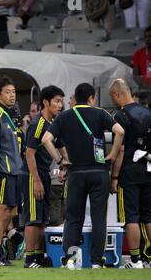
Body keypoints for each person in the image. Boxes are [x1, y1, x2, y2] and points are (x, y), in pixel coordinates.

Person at [42, 83, 125, 269]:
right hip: (99, 172)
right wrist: (112, 154)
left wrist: (60, 160)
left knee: (73, 218)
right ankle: (97, 261)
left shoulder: (64, 117)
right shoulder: (101, 113)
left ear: (75, 97)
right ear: (91, 98)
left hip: (76, 173)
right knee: (98, 218)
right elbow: (120, 131)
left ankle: (70, 259)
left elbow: (46, 139)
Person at [21, 85, 67, 268]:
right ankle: (29, 258)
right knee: (33, 219)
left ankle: (40, 256)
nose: (60, 105)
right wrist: (37, 181)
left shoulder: (54, 123)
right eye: (57, 101)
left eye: (61, 101)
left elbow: (62, 147)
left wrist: (65, 167)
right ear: (45, 103)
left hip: (45, 174)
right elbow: (29, 154)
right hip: (33, 175)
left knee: (42, 220)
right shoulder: (38, 123)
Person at [109, 78, 151, 269]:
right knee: (148, 216)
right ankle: (148, 257)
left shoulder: (121, 116)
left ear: (117, 94)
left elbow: (122, 149)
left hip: (129, 172)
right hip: (148, 169)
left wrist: (114, 177)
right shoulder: (147, 112)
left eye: (113, 97)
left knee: (131, 217)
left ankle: (135, 261)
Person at [0, 76, 23, 266]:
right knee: (1, 214)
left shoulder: (10, 116)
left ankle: (0, 251)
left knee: (10, 214)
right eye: (8, 92)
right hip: (3, 174)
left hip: (15, 173)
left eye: (14, 92)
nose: (12, 95)